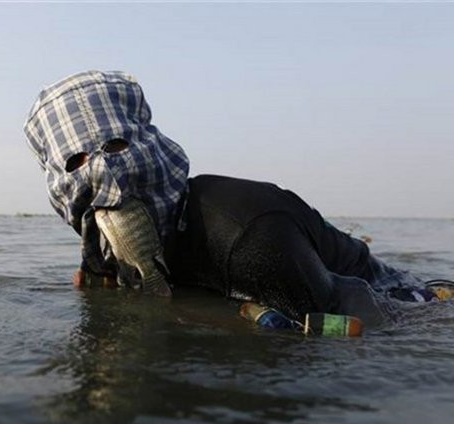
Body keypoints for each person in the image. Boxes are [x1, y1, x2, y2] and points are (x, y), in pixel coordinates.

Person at [24, 70, 450, 329]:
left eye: (115, 147)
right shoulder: (104, 235)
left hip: (400, 302)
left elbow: (334, 331)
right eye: (75, 162)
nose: (103, 175)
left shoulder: (251, 238)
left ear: (150, 141)